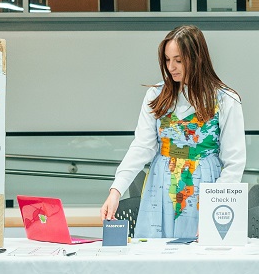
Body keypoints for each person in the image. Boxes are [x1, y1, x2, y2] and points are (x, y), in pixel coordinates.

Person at [101, 25, 245, 239]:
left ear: (197, 58)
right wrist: (116, 190)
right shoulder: (156, 95)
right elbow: (142, 146)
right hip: (161, 186)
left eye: (178, 60)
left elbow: (234, 163)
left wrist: (216, 210)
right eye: (167, 60)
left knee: (201, 259)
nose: (171, 67)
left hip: (205, 189)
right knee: (154, 259)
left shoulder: (225, 99)